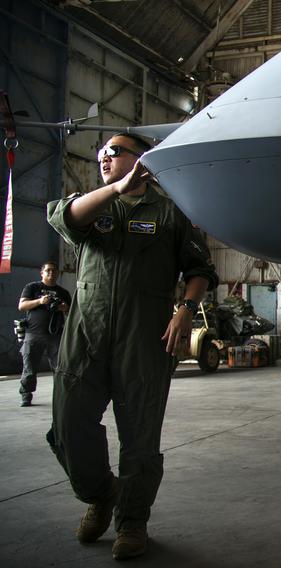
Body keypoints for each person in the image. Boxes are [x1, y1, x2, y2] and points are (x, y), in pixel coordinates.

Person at [46, 133, 218, 560]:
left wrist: (184, 308)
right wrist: (114, 191)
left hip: (143, 340)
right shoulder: (91, 205)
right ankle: (102, 494)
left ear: (141, 159)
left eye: (116, 150)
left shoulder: (171, 213)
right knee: (68, 426)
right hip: (87, 333)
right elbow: (66, 219)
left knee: (140, 436)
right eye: (102, 151)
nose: (105, 156)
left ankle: (132, 520)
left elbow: (200, 270)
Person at [17, 261, 70, 407]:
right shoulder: (32, 287)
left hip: (56, 335)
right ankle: (26, 395)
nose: (51, 273)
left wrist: (65, 308)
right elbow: (22, 306)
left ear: (58, 273)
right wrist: (40, 301)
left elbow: (72, 314)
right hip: (33, 334)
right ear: (42, 273)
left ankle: (61, 396)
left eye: (54, 271)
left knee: (60, 368)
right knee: (29, 367)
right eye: (48, 271)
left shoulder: (63, 293)